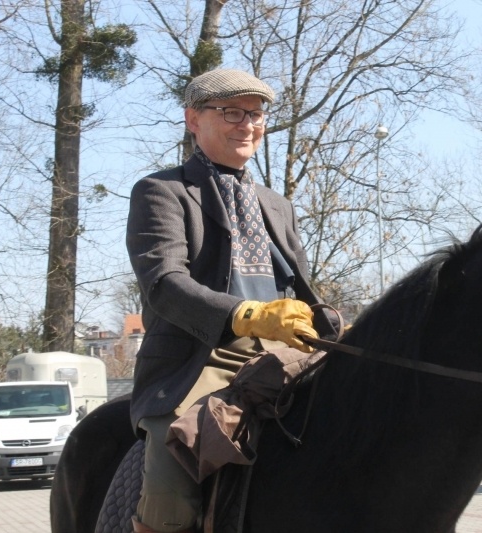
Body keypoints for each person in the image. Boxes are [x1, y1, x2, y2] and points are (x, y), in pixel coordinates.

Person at [126, 69, 336, 533]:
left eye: (256, 113)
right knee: (171, 490)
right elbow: (163, 283)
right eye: (231, 112)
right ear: (192, 119)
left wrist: (338, 331)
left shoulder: (277, 204)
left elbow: (302, 293)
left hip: (288, 358)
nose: (248, 123)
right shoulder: (162, 191)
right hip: (203, 363)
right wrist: (247, 314)